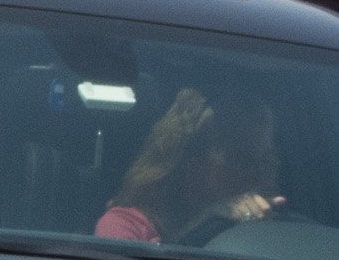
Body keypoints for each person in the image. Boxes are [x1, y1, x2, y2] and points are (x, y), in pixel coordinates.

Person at [94, 86, 281, 245]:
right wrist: (210, 224)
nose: (258, 175)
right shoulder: (126, 227)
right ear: (190, 161)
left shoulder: (287, 236)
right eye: (240, 160)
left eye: (266, 160)